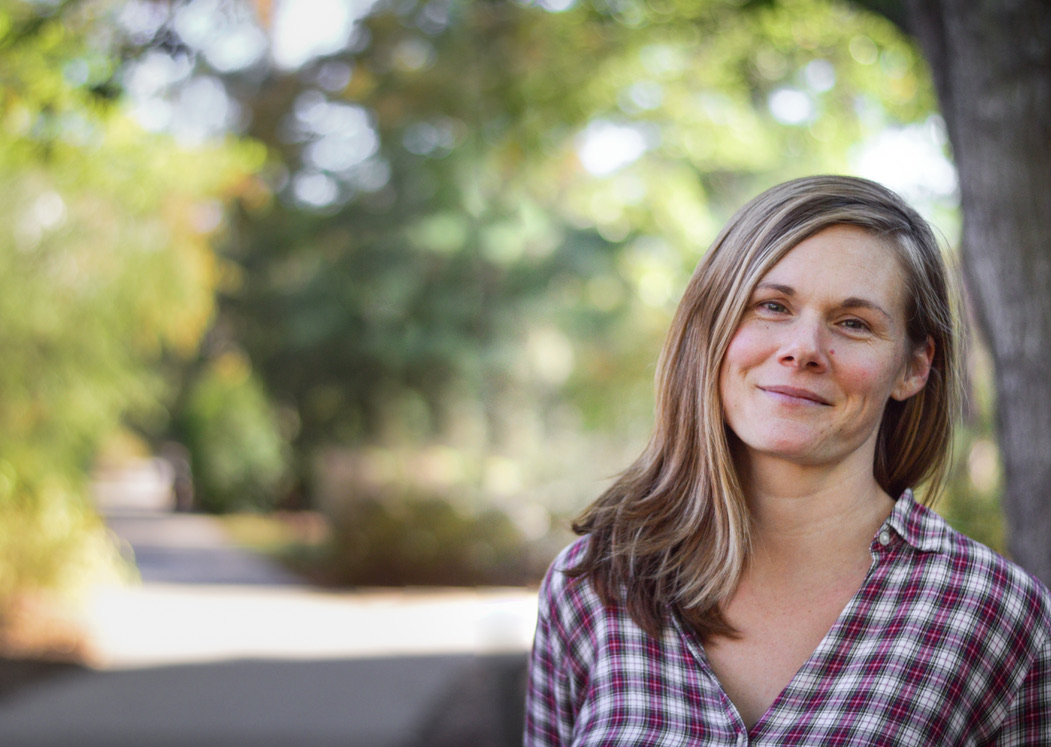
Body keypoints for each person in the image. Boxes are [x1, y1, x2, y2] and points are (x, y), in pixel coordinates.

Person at [524, 175, 1051, 745]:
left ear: (913, 367)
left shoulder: (995, 614)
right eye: (772, 306)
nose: (803, 349)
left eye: (853, 323)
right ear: (714, 327)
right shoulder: (596, 584)